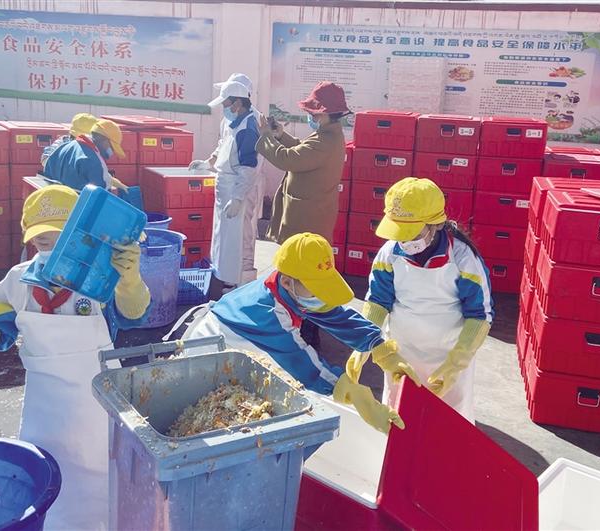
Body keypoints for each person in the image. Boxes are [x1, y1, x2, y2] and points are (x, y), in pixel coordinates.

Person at [0, 185, 151, 530]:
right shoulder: (17, 280)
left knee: (105, 487)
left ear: (81, 235)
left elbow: (133, 316)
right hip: (45, 413)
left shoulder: (100, 278)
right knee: (48, 487)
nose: (47, 243)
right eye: (39, 236)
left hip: (97, 408)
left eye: (59, 234)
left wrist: (130, 282)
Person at [171, 232, 420, 434]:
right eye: (315, 288)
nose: (320, 295)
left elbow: (335, 314)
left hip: (242, 348)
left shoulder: (290, 290)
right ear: (288, 282)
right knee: (218, 414)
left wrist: (378, 346)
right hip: (209, 352)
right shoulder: (269, 313)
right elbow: (302, 363)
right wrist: (348, 390)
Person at [346, 178, 494, 423]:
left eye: (411, 232)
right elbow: (378, 302)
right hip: (401, 355)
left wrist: (457, 361)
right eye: (399, 232)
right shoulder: (389, 254)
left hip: (448, 355)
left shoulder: (463, 258)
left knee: (447, 423)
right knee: (400, 418)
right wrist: (363, 344)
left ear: (436, 224)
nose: (404, 241)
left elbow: (480, 315)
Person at [191, 74, 264, 285]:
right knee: (223, 237)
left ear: (238, 103)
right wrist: (209, 162)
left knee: (238, 240)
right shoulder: (231, 121)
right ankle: (224, 278)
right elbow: (223, 145)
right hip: (226, 186)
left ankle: (238, 282)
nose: (224, 108)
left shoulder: (249, 127)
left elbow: (248, 167)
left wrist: (238, 198)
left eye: (226, 104)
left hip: (237, 188)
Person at [256, 81, 348, 245]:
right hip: (306, 215)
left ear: (325, 114)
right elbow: (303, 150)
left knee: (297, 258)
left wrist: (266, 137)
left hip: (307, 221)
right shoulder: (327, 134)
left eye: (313, 114)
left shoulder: (325, 141)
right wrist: (281, 136)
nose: (310, 117)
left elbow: (287, 159)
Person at [43, 118, 128, 191]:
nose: (111, 151)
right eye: (112, 147)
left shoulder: (67, 146)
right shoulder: (94, 162)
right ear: (103, 140)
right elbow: (101, 194)